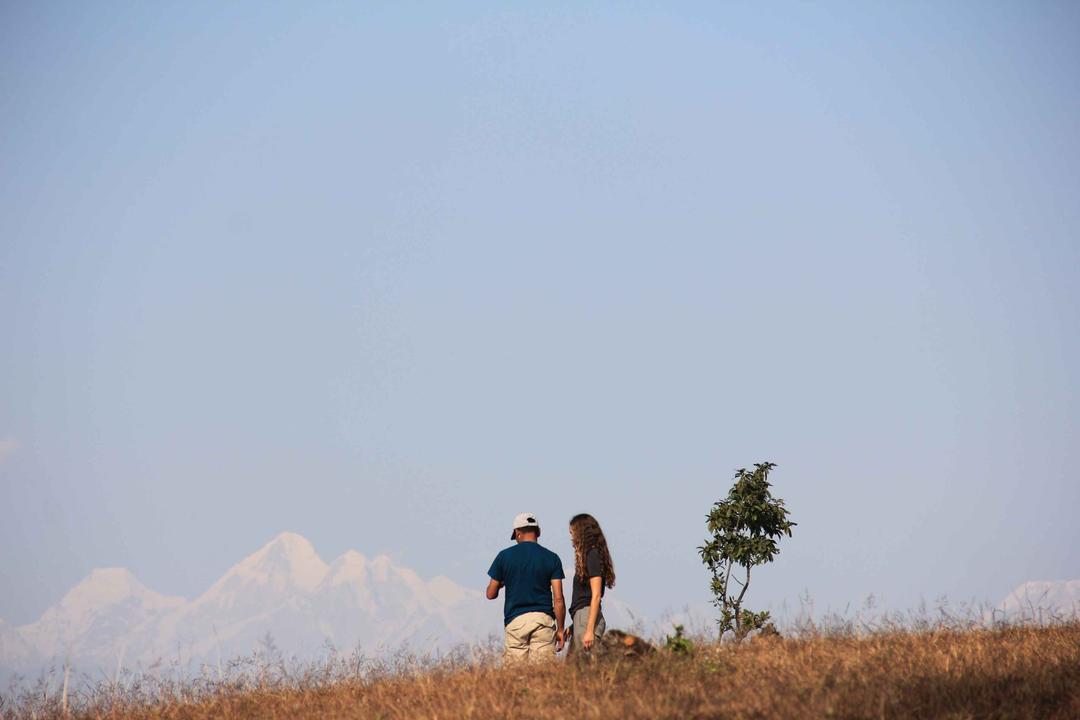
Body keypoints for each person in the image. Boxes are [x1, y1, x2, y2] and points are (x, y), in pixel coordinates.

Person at [486, 512, 567, 661]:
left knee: (516, 675)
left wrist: (503, 582)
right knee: (542, 674)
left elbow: (490, 594)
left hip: (516, 621)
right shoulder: (552, 558)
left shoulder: (504, 556)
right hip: (543, 621)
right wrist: (560, 629)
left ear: (517, 533)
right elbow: (559, 599)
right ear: (538, 532)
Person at [567, 513, 615, 656]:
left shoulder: (592, 555)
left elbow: (595, 595)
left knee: (585, 664)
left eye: (572, 532)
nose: (571, 537)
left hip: (587, 616)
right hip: (582, 617)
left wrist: (588, 630)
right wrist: (573, 625)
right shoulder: (592, 555)